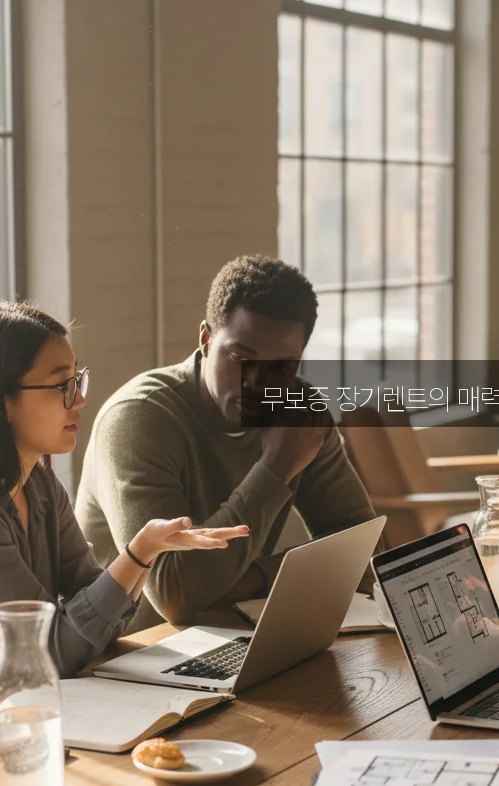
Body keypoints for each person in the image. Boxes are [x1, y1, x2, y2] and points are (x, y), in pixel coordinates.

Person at [0, 303, 247, 725]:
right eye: (62, 385)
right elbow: (49, 650)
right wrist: (138, 554)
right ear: (2, 401)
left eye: (77, 379)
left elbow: (97, 615)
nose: (79, 399)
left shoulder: (38, 483)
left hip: (12, 708)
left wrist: (141, 560)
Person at [75, 255, 378, 629]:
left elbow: (366, 552)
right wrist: (275, 469)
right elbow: (175, 595)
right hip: (129, 654)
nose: (257, 383)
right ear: (205, 339)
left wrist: (244, 580)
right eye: (240, 356)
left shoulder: (299, 412)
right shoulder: (139, 419)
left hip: (229, 631)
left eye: (280, 366)